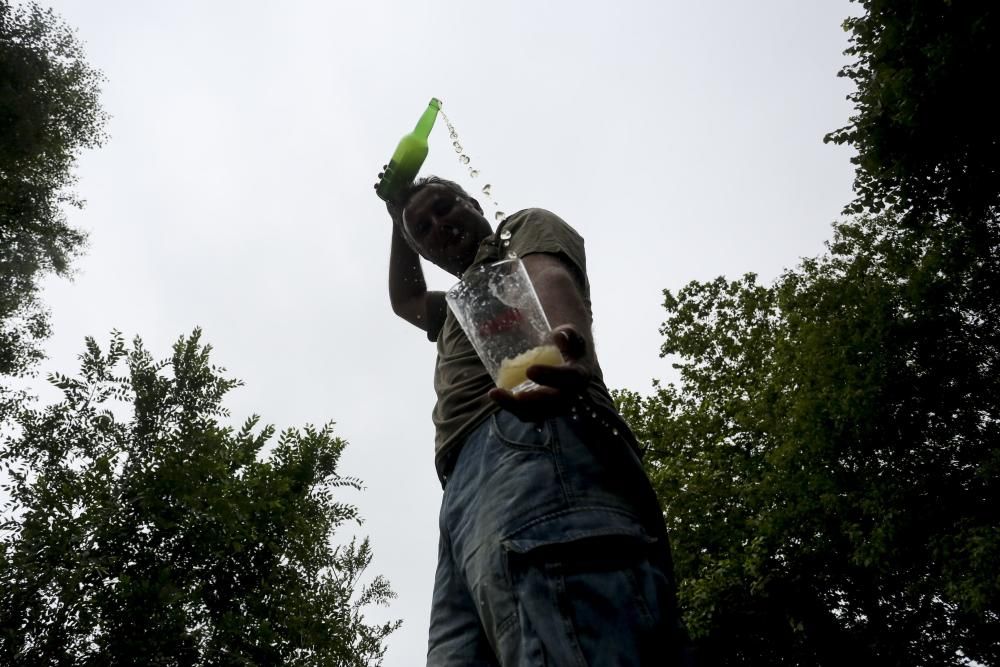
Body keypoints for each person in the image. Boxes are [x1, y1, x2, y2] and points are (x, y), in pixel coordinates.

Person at [385, 176, 691, 666]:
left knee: (567, 631)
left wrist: (565, 346)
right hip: (464, 494)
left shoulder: (514, 236)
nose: (439, 226)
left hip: (531, 430)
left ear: (474, 203)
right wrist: (395, 220)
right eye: (424, 228)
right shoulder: (456, 306)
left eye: (445, 208)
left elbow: (546, 275)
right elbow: (405, 301)